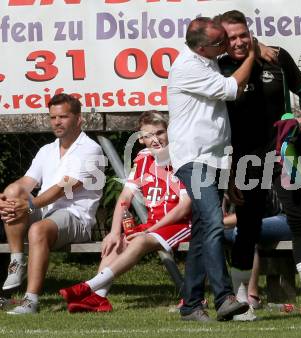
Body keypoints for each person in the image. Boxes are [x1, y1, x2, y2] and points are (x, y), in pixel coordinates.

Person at [216, 10, 301, 320]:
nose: (239, 41)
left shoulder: (278, 57)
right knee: (248, 227)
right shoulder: (219, 69)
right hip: (245, 158)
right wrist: (228, 169)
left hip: (286, 153)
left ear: (250, 32)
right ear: (222, 41)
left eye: (244, 34)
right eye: (231, 37)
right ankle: (242, 301)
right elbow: (218, 124)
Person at [166, 17, 257, 322]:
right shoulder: (187, 67)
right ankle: (224, 297)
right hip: (194, 158)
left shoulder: (207, 59)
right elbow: (232, 88)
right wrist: (254, 53)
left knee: (204, 230)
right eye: (221, 42)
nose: (227, 47)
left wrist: (228, 170)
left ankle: (191, 304)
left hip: (215, 159)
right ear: (203, 46)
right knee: (215, 222)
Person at [59, 111, 192, 313]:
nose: (155, 140)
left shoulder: (182, 158)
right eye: (149, 135)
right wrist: (113, 232)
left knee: (139, 240)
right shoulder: (143, 159)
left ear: (169, 132)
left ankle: (88, 287)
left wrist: (149, 231)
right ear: (141, 139)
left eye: (160, 133)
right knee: (116, 243)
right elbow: (125, 197)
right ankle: (99, 299)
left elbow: (185, 207)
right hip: (156, 224)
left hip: (182, 223)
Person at [0, 93, 104, 314]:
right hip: (46, 213)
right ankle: (17, 261)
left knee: (38, 229)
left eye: (63, 117)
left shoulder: (91, 149)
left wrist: (29, 205)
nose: (57, 122)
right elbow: (26, 183)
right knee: (11, 192)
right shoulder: (46, 150)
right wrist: (7, 198)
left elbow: (65, 187)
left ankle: (31, 301)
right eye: (53, 117)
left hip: (76, 217)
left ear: (78, 119)